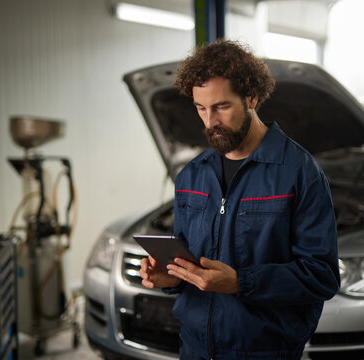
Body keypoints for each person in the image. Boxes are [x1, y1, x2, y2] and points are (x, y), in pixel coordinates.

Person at [140, 39, 339, 360]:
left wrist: (240, 282)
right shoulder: (192, 175)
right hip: (194, 348)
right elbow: (190, 261)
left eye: (221, 107)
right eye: (200, 108)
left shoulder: (299, 172)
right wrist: (170, 278)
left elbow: (322, 277)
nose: (209, 122)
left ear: (252, 97)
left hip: (264, 350)